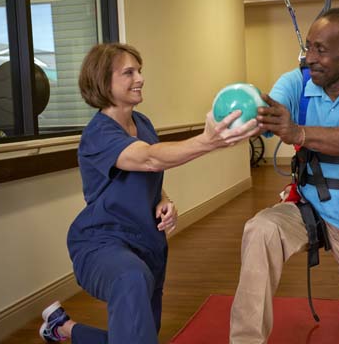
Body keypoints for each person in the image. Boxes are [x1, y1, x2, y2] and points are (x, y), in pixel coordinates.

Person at [38, 43, 259, 344]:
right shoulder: (99, 134)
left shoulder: (142, 123)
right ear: (103, 81)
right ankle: (62, 327)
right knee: (131, 282)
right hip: (102, 243)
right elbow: (149, 158)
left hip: (148, 244)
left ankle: (62, 327)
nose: (140, 78)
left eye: (139, 71)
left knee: (140, 336)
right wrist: (209, 141)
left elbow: (148, 171)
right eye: (128, 72)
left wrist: (164, 200)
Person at [230, 8, 339, 344]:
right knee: (260, 229)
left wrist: (298, 133)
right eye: (309, 47)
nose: (310, 58)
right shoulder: (296, 82)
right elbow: (273, 113)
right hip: (308, 206)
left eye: (321, 50)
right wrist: (252, 114)